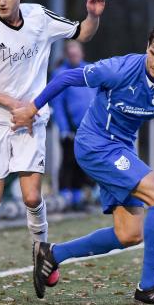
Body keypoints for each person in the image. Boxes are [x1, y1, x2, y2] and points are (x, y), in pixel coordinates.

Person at [11, 22, 154, 305]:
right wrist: (31, 108)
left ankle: (52, 254)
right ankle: (149, 286)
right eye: (153, 54)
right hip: (94, 144)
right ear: (147, 45)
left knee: (129, 234)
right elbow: (65, 79)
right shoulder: (119, 69)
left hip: (120, 148)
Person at [0, 0, 106, 287]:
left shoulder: (39, 17)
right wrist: (13, 103)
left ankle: (43, 253)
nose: (2, 0)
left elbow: (82, 34)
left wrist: (93, 17)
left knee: (31, 198)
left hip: (31, 122)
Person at [50, 40, 96, 211]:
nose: (74, 56)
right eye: (71, 54)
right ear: (66, 56)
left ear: (82, 54)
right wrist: (64, 128)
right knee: (69, 162)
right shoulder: (60, 73)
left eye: (77, 53)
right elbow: (58, 104)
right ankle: (66, 197)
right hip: (71, 130)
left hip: (90, 129)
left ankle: (80, 197)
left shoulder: (91, 70)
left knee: (84, 163)